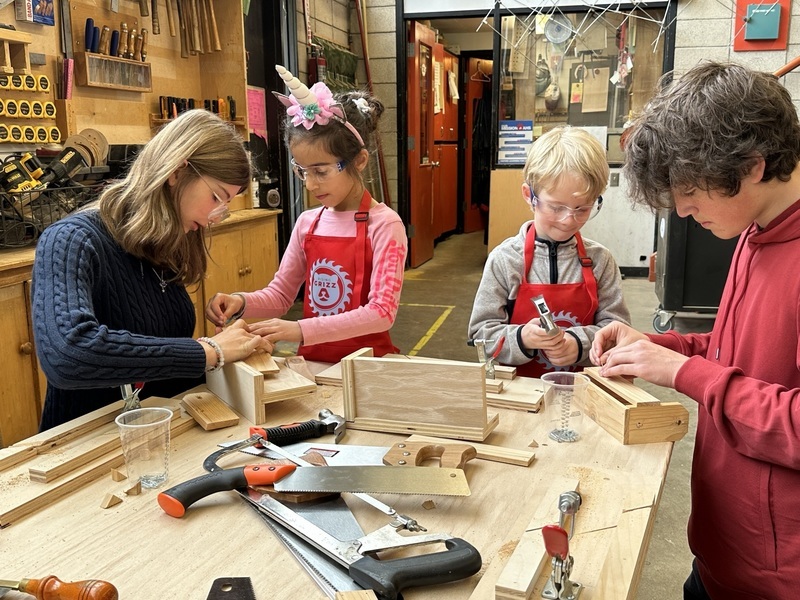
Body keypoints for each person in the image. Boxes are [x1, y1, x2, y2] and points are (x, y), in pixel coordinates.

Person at [589, 62, 800, 600]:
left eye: (689, 189)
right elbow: (740, 350)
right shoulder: (756, 230)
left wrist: (685, 373)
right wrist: (658, 348)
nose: (683, 210)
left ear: (752, 165)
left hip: (777, 582)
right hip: (721, 553)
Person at [32, 109, 271, 430]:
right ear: (176, 171)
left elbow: (160, 364)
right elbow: (68, 355)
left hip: (156, 430)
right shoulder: (70, 239)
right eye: (216, 197)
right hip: (84, 439)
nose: (214, 217)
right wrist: (208, 352)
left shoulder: (161, 243)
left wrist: (233, 353)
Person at [206, 66, 407, 363]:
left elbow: (381, 313)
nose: (311, 185)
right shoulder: (308, 224)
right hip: (313, 363)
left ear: (359, 161)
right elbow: (280, 296)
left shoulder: (385, 225)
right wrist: (240, 301)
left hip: (367, 367)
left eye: (321, 172)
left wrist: (299, 329)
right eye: (302, 171)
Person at [468, 126, 630, 377]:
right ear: (529, 195)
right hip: (519, 392)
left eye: (582, 208)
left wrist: (579, 344)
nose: (568, 220)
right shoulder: (505, 261)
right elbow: (481, 336)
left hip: (584, 391)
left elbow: (619, 332)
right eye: (556, 207)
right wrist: (522, 338)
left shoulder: (600, 261)